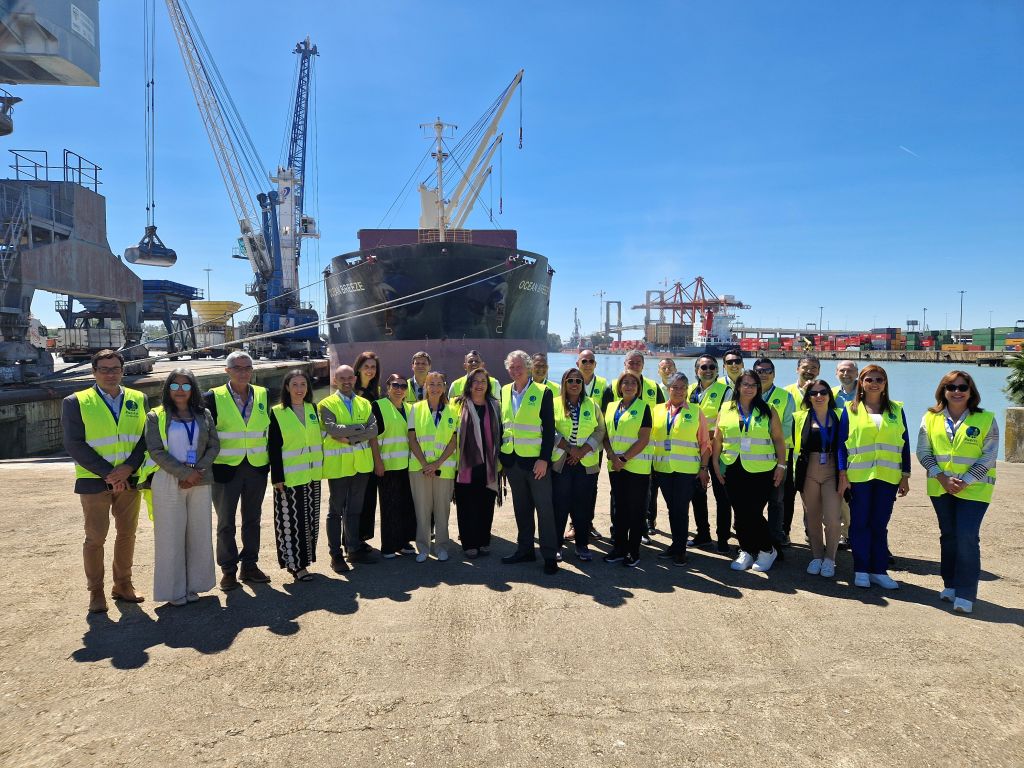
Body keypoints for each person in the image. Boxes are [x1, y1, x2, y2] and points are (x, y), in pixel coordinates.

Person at [61, 349, 148, 613]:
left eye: (115, 369)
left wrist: (128, 468)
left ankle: (123, 584)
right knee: (95, 538)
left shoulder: (138, 398)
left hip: (129, 478)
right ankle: (96, 591)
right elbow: (74, 443)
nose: (110, 374)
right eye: (104, 369)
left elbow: (145, 438)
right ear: (94, 372)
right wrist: (109, 473)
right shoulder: (76, 401)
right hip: (94, 480)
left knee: (127, 534)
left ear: (122, 371)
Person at [916, 370, 998, 614]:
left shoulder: (985, 419)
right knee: (949, 536)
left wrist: (966, 481)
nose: (957, 392)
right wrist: (941, 477)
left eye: (963, 387)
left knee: (967, 537)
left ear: (971, 391)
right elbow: (923, 451)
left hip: (975, 489)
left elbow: (989, 455)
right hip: (940, 486)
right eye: (951, 387)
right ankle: (950, 585)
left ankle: (965, 593)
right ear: (943, 391)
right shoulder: (930, 418)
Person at [144, 369, 219, 605]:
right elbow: (155, 450)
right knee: (170, 536)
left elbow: (214, 446)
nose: (180, 390)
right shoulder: (155, 416)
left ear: (192, 389)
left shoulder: (204, 414)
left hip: (200, 478)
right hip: (168, 479)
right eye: (175, 386)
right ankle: (173, 591)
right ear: (168, 389)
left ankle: (195, 585)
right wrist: (185, 473)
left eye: (186, 386)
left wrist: (197, 471)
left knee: (199, 533)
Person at [837, 365, 911, 590]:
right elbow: (841, 446)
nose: (874, 383)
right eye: (869, 379)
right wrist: (842, 474)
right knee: (859, 523)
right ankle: (861, 570)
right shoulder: (851, 410)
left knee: (879, 524)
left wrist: (905, 475)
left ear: (885, 383)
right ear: (861, 383)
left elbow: (905, 444)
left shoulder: (896, 410)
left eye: (879, 379)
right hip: (859, 477)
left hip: (888, 477)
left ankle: (878, 571)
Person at [203, 351, 271, 591]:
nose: (243, 372)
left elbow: (268, 430)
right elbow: (205, 435)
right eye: (237, 368)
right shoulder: (212, 397)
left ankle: (250, 565)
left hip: (256, 467)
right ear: (227, 371)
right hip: (225, 469)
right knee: (225, 522)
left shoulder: (263, 394)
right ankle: (228, 570)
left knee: (252, 520)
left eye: (247, 368)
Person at [713, 370, 787, 573]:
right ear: (737, 386)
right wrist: (716, 464)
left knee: (752, 512)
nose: (749, 388)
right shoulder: (726, 408)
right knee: (740, 512)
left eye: (753, 385)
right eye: (745, 384)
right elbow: (718, 439)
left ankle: (767, 550)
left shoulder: (768, 410)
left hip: (761, 470)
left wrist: (781, 465)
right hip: (732, 467)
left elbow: (779, 440)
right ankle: (746, 550)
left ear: (758, 388)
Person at [499, 349, 559, 574]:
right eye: (512, 367)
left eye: (519, 367)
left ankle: (549, 556)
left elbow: (549, 429)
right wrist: (503, 458)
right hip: (513, 461)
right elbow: (504, 425)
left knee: (544, 510)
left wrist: (544, 459)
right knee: (521, 509)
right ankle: (525, 550)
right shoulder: (505, 391)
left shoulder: (543, 392)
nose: (515, 371)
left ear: (528, 368)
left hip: (536, 463)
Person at [320, 364, 379, 572]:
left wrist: (351, 437)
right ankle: (335, 555)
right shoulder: (326, 404)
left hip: (361, 465)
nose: (346, 382)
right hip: (338, 466)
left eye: (349, 378)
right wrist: (360, 429)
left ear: (354, 379)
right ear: (335, 380)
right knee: (335, 511)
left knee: (355, 510)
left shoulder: (365, 403)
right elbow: (333, 429)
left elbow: (373, 430)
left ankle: (353, 549)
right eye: (342, 378)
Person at [268, 370, 323, 581]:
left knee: (310, 521)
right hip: (289, 478)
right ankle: (296, 565)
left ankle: (305, 561)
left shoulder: (312, 409)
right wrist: (277, 477)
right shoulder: (278, 412)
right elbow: (274, 447)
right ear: (287, 388)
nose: (299, 389)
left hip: (311, 475)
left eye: (303, 384)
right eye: (295, 385)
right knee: (291, 522)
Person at [651, 372, 710, 566]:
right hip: (663, 468)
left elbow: (705, 444)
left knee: (681, 508)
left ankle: (680, 550)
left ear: (687, 390)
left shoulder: (696, 411)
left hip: (687, 470)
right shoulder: (657, 410)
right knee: (672, 508)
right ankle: (676, 545)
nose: (678, 391)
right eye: (674, 387)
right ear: (668, 389)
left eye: (683, 387)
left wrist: (703, 468)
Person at [551, 367, 605, 561]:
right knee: (560, 504)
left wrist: (582, 451)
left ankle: (582, 544)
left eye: (578, 381)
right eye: (570, 380)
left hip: (585, 463)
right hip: (561, 462)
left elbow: (600, 430)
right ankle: (556, 545)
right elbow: (548, 428)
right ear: (564, 383)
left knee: (582, 505)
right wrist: (569, 449)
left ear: (583, 384)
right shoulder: (554, 403)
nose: (574, 384)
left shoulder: (592, 404)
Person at [602, 371, 653, 567]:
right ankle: (619, 548)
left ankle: (633, 551)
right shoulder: (611, 407)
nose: (629, 386)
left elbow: (644, 438)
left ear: (638, 388)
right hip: (615, 466)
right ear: (619, 386)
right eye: (626, 383)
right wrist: (611, 455)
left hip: (636, 467)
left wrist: (623, 458)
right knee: (620, 509)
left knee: (636, 511)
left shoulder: (643, 407)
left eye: (633, 383)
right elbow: (606, 435)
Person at [407, 371, 458, 562]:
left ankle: (442, 547)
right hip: (419, 468)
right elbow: (412, 439)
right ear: (426, 387)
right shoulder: (416, 408)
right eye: (431, 384)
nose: (435, 388)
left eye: (439, 384)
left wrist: (436, 463)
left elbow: (453, 441)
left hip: (443, 468)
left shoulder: (453, 410)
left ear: (444, 387)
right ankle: (423, 547)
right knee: (422, 509)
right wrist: (425, 464)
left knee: (442, 510)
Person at [794, 380, 843, 578]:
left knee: (832, 519)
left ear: (830, 395)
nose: (819, 396)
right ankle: (816, 556)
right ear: (808, 397)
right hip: (809, 471)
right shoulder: (800, 417)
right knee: (812, 517)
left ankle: (830, 559)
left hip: (832, 470)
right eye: (813, 393)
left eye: (823, 392)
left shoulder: (840, 415)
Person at [453, 367, 503, 559]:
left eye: (483, 381)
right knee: (466, 504)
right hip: (466, 464)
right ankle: (469, 543)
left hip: (489, 464)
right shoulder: (458, 405)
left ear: (488, 385)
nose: (479, 384)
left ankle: (483, 540)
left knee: (486, 504)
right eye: (475, 381)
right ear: (469, 384)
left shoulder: (495, 405)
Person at [614, 350, 663, 538]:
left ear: (643, 365)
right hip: (619, 452)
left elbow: (662, 413)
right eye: (631, 362)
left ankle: (645, 527)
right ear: (624, 364)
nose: (634, 366)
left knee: (646, 492)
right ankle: (617, 530)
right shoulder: (614, 386)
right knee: (617, 494)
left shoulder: (653, 387)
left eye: (638, 363)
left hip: (645, 449)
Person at [370, 374, 417, 559]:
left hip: (407, 466)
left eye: (403, 386)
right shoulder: (379, 406)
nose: (399, 389)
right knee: (390, 506)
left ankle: (403, 542)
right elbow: (373, 437)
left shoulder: (410, 408)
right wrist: (377, 462)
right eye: (395, 385)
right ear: (388, 387)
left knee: (406, 505)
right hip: (388, 466)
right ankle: (389, 546)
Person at [688, 355, 732, 552]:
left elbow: (726, 423)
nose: (708, 370)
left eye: (712, 367)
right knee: (698, 495)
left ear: (717, 370)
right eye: (703, 367)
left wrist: (706, 436)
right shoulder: (689, 390)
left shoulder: (726, 391)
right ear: (696, 370)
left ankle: (723, 539)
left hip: (718, 452)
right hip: (694, 451)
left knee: (722, 497)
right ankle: (703, 535)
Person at [752, 358, 796, 549]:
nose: (763, 374)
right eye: (759, 371)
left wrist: (767, 443)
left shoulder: (785, 397)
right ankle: (753, 535)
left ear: (774, 374)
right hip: (752, 457)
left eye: (767, 370)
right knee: (753, 499)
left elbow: (787, 427)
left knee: (777, 499)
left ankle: (776, 537)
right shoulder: (747, 395)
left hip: (778, 455)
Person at [565, 348, 607, 542]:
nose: (587, 364)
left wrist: (589, 447)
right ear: (578, 363)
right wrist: (573, 450)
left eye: (591, 361)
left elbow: (605, 417)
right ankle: (573, 525)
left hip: (593, 447)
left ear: (595, 364)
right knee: (569, 487)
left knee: (591, 487)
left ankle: (587, 523)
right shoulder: (569, 381)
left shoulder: (604, 385)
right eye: (584, 361)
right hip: (569, 448)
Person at [782, 355, 819, 548]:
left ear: (818, 371)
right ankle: (784, 532)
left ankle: (811, 533)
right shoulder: (786, 392)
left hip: (811, 454)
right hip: (789, 453)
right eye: (805, 367)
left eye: (813, 368)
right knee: (786, 497)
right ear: (797, 369)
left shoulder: (821, 392)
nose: (809, 371)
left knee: (812, 499)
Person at [354, 351, 381, 546]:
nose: (370, 370)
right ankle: (352, 541)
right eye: (366, 367)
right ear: (358, 368)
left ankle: (362, 538)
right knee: (355, 499)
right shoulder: (352, 392)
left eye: (373, 367)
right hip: (355, 452)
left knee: (368, 497)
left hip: (370, 451)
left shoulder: (373, 391)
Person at [832, 360, 859, 548]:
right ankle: (845, 534)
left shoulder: (865, 393)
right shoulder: (832, 394)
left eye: (850, 370)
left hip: (860, 450)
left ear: (857, 373)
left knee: (861, 496)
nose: (846, 374)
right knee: (841, 495)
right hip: (839, 450)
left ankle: (859, 533)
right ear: (836, 373)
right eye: (842, 370)